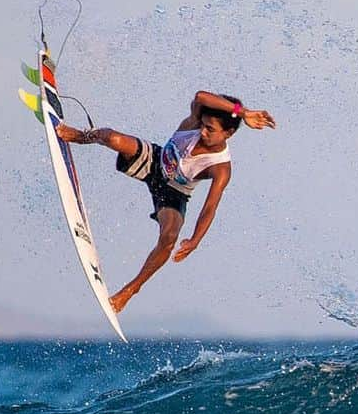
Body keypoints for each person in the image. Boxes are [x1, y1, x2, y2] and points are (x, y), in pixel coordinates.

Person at [56, 92, 276, 313]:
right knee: (112, 138)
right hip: (154, 161)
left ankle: (130, 290)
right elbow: (201, 96)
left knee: (169, 237)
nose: (203, 131)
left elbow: (210, 207)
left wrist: (196, 240)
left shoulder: (221, 168)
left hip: (175, 192)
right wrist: (244, 112)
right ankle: (81, 136)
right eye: (204, 125)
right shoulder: (195, 121)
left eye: (211, 129)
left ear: (228, 133)